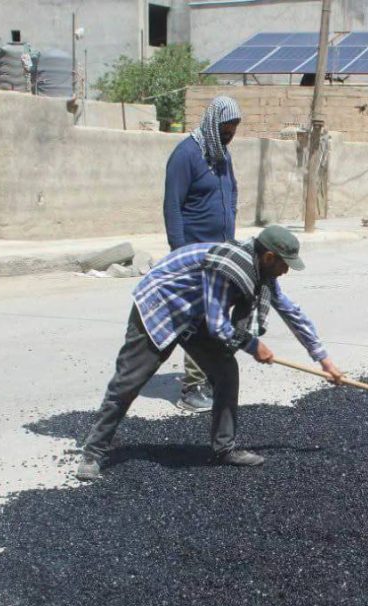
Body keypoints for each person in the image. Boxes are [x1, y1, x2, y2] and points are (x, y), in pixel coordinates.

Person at [76, 226, 343, 480]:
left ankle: (225, 449)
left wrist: (324, 360)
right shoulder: (228, 267)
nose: (285, 271)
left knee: (226, 372)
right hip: (161, 306)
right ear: (269, 256)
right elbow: (218, 326)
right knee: (128, 381)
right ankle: (93, 452)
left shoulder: (262, 271)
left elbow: (291, 313)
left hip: (196, 312)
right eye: (284, 264)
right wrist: (253, 346)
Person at [163, 95, 243, 413]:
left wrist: (230, 226)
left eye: (234, 130)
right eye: (226, 129)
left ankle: (210, 378)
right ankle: (191, 388)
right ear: (213, 123)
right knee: (198, 319)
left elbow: (231, 190)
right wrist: (179, 252)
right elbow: (172, 205)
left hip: (220, 252)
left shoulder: (222, 155)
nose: (229, 135)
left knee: (216, 318)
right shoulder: (185, 155)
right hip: (194, 252)